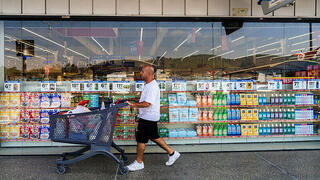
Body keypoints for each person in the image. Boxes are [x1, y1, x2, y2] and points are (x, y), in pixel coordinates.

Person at [125, 65, 180, 171]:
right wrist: (135, 99)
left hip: (148, 117)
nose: (140, 73)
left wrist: (133, 105)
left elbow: (147, 104)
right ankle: (172, 153)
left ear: (149, 73)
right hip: (150, 116)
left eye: (142, 71)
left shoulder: (152, 86)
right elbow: (145, 100)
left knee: (141, 140)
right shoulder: (148, 85)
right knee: (154, 137)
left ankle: (139, 162)